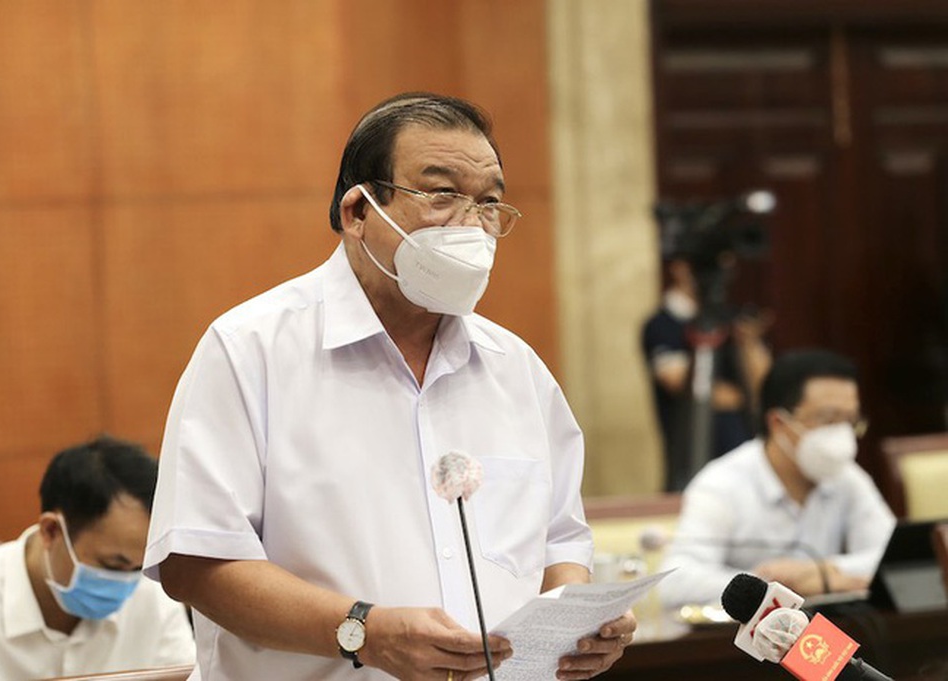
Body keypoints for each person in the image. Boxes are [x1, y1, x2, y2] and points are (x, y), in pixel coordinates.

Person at [143, 92, 637, 681]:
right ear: (358, 212)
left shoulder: (516, 369)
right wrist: (363, 633)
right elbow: (195, 562)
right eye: (442, 194)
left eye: (488, 204)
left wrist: (574, 624)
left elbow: (560, 545)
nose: (471, 225)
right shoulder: (250, 350)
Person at [658, 349, 896, 609]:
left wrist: (823, 572)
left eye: (849, 420)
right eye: (828, 419)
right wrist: (768, 587)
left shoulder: (847, 477)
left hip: (827, 635)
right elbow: (675, 583)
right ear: (778, 422)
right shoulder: (722, 483)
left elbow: (895, 558)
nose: (841, 433)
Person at [0, 436, 195, 680]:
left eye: (139, 567)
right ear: (51, 531)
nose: (127, 583)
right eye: (112, 565)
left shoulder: (154, 599)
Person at [642, 256, 772, 491]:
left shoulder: (730, 319)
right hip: (691, 454)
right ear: (680, 269)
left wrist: (749, 342)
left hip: (741, 450)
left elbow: (764, 385)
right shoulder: (662, 324)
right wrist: (736, 397)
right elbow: (679, 382)